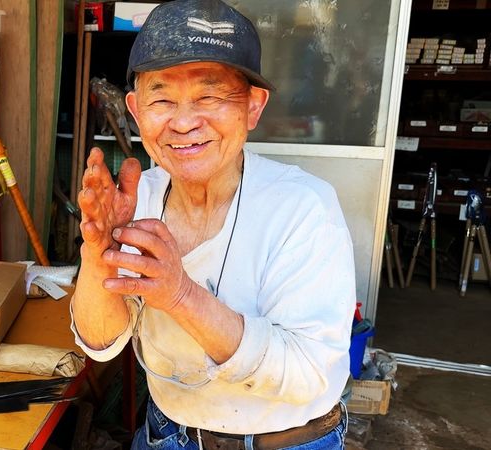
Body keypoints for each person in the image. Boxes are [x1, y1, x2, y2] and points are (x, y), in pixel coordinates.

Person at [70, 0, 356, 449]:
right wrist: (98, 254)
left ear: (253, 107)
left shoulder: (303, 207)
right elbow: (99, 343)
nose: (184, 122)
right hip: (167, 435)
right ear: (136, 111)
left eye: (210, 97)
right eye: (162, 99)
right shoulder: (137, 197)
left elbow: (308, 374)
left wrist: (181, 296)